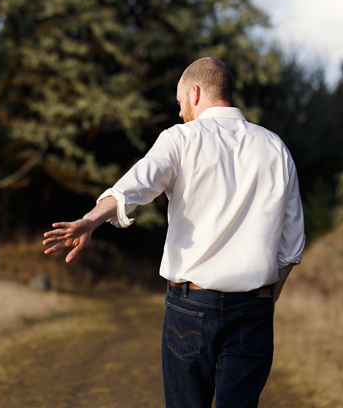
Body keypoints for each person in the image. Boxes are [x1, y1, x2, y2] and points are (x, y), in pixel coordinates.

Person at [43, 57, 305, 408]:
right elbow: (290, 248)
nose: (180, 112)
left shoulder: (181, 138)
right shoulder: (276, 148)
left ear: (195, 93)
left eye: (180, 102)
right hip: (253, 309)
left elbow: (132, 187)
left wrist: (91, 220)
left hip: (191, 306)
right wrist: (265, 301)